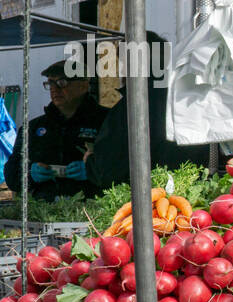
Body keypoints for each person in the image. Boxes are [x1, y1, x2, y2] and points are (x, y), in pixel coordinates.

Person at [86, 32, 210, 191]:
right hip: (191, 196)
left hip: (148, 204)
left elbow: (108, 170)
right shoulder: (189, 99)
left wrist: (89, 162)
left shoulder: (130, 107)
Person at [4, 46, 109, 200]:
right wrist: (29, 173)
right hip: (45, 212)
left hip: (92, 213)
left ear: (84, 85)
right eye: (50, 83)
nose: (54, 89)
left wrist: (93, 171)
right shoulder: (33, 128)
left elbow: (124, 169)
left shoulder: (106, 121)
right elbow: (11, 176)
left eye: (62, 82)